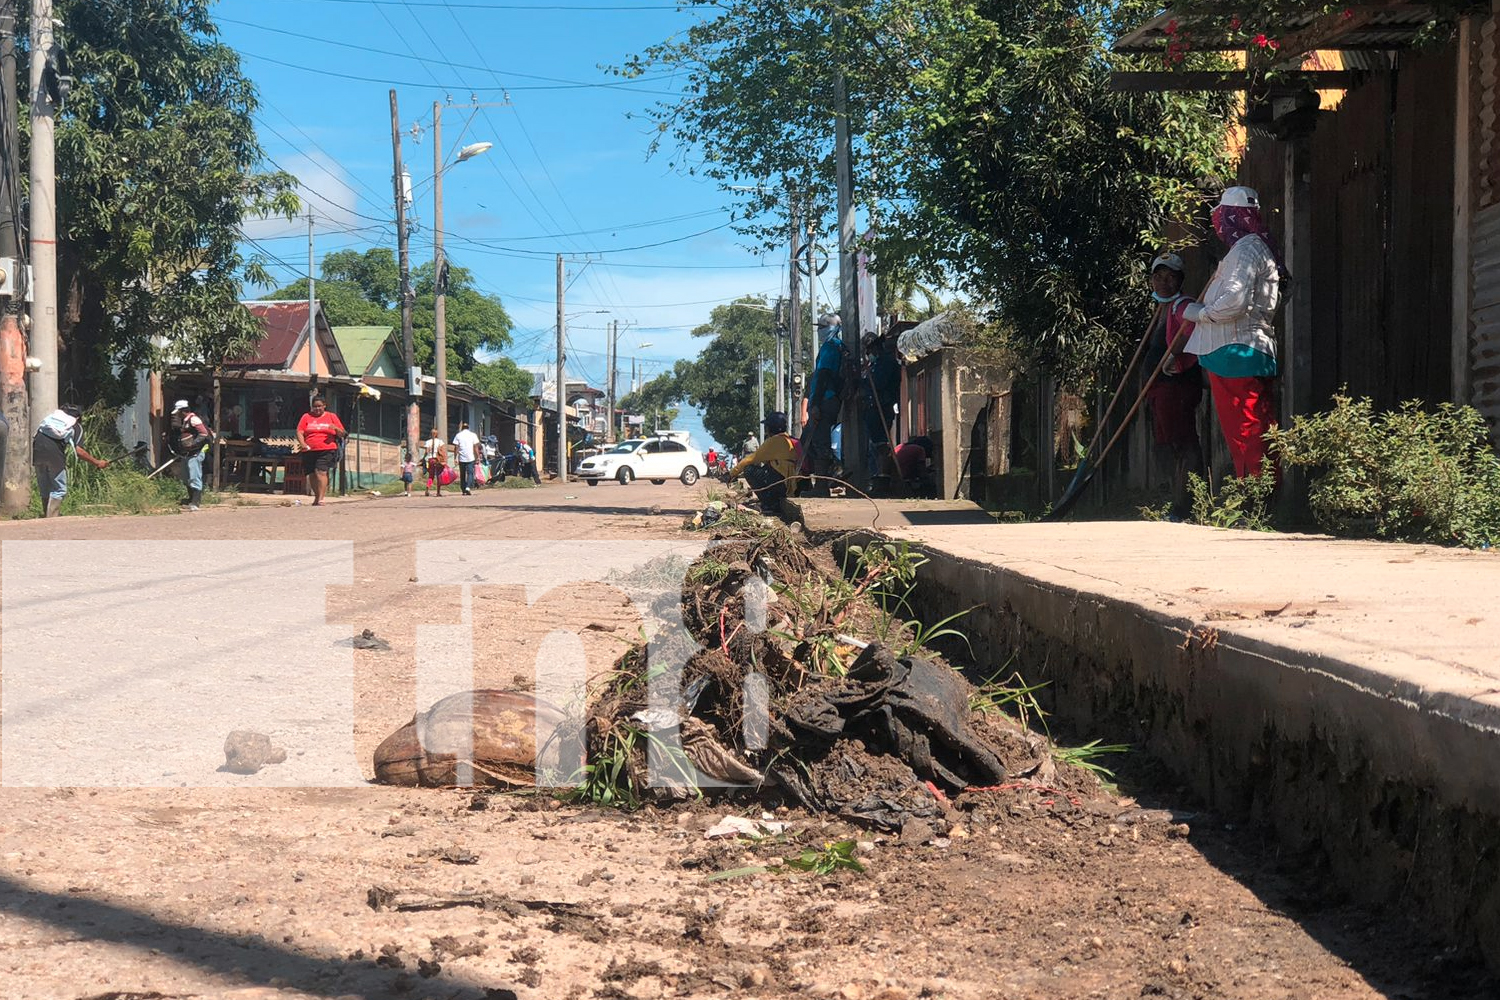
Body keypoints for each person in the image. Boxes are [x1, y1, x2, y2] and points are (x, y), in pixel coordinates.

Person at [1182, 186, 1283, 481]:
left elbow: (1235, 300)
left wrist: (1200, 313)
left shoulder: (1245, 250)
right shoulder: (1260, 247)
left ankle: (1257, 493)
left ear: (1230, 217)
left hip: (1235, 349)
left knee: (1245, 429)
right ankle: (1264, 490)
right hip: (1250, 348)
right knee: (1260, 426)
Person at [1143, 253, 1206, 521]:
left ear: (1180, 280)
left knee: (1183, 443)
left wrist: (1173, 354)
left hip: (1177, 387)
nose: (1163, 282)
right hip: (1160, 388)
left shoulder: (1182, 304)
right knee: (1167, 445)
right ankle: (1175, 502)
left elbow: (1193, 326)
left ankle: (1185, 507)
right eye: (1158, 277)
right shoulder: (1162, 308)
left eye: (1170, 277)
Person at [32, 404, 107, 517]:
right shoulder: (75, 425)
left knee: (45, 487)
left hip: (37, 450)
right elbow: (79, 451)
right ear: (78, 417)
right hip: (54, 454)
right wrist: (97, 462)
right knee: (59, 489)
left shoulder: (52, 418)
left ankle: (46, 515)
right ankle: (52, 517)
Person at [799, 313, 845, 484]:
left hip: (826, 399)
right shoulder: (840, 347)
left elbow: (823, 375)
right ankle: (827, 475)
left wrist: (816, 404)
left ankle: (822, 481)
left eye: (822, 328)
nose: (819, 331)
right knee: (816, 440)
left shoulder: (829, 347)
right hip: (832, 400)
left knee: (816, 440)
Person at [727, 411, 800, 513]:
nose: (766, 430)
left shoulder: (774, 441)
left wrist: (732, 473)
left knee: (749, 470)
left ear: (772, 427)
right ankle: (774, 500)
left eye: (767, 426)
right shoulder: (791, 440)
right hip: (795, 485)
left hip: (783, 485)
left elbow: (749, 460)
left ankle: (770, 503)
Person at [860, 332, 901, 476]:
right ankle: (875, 476)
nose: (868, 354)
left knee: (881, 444)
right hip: (873, 408)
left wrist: (865, 380)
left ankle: (882, 477)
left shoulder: (887, 362)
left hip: (883, 407)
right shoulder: (875, 364)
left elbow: (878, 383)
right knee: (874, 444)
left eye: (869, 350)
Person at [295, 395, 346, 507]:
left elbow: (343, 433)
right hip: (309, 450)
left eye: (319, 406)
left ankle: (322, 498)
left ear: (324, 406)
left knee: (321, 471)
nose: (317, 409)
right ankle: (317, 496)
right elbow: (300, 431)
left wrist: (336, 429)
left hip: (327, 449)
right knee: (312, 473)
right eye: (315, 407)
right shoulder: (306, 417)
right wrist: (303, 444)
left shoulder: (331, 416)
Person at [169, 399, 213, 511]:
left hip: (196, 453)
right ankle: (190, 499)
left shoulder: (194, 419)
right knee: (186, 476)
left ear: (183, 411)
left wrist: (193, 444)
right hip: (187, 454)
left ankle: (195, 502)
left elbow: (203, 433)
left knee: (194, 476)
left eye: (178, 412)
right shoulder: (184, 421)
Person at [451, 422, 481, 496]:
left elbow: (456, 447)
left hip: (462, 458)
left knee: (462, 474)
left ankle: (463, 489)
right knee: (470, 473)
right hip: (470, 458)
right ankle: (468, 487)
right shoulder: (473, 435)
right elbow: (475, 447)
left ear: (462, 428)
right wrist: (478, 456)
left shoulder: (458, 435)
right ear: (468, 428)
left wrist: (455, 457)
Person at [422, 427, 447, 496]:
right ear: (437, 434)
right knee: (439, 476)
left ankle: (427, 488)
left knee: (431, 476)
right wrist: (444, 460)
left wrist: (423, 458)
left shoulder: (428, 442)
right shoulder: (440, 442)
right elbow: (443, 452)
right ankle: (438, 492)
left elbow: (426, 451)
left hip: (431, 460)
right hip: (438, 460)